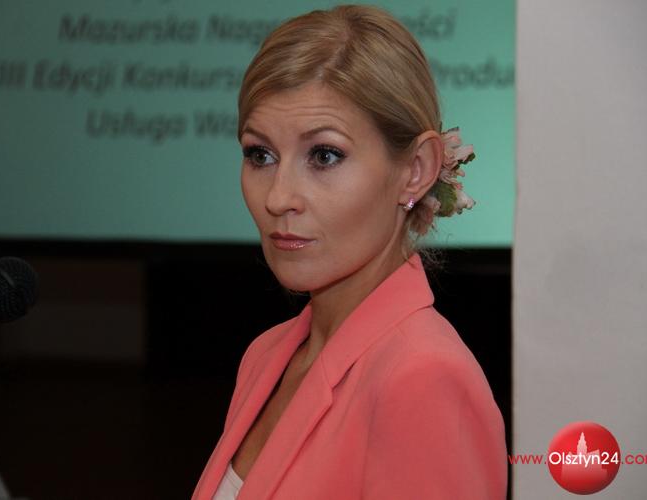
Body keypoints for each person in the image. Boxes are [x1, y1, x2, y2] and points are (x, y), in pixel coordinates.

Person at [192, 5, 506, 499]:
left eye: (325, 155)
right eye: (260, 154)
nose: (278, 197)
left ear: (416, 170)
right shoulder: (266, 355)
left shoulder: (423, 378)